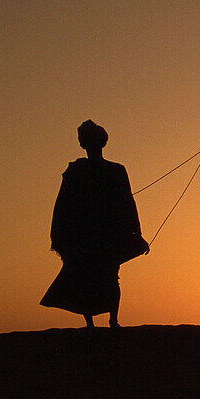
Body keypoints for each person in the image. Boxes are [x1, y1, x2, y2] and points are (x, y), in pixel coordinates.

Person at [41, 120, 148, 328]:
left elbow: (128, 202)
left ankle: (112, 320)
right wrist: (60, 235)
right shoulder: (76, 171)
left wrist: (137, 232)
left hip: (108, 234)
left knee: (109, 275)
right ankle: (94, 323)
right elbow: (63, 204)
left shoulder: (116, 170)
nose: (90, 145)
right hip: (85, 234)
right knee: (86, 276)